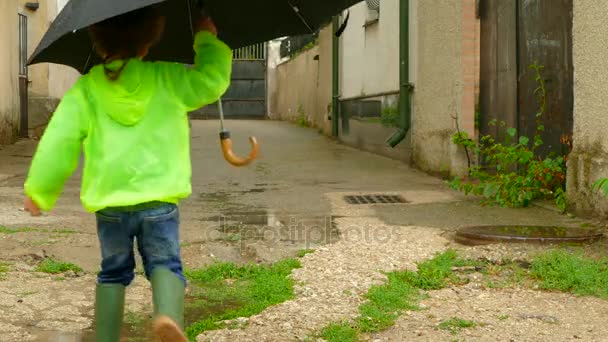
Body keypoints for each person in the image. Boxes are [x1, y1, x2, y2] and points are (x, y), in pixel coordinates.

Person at [22, 7, 232, 342]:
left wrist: (40, 191)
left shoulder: (87, 90)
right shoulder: (167, 77)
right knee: (165, 263)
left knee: (113, 273)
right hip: (159, 200)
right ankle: (167, 317)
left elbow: (58, 140)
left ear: (98, 42)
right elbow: (210, 82)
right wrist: (207, 40)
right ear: (150, 42)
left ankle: (106, 337)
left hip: (111, 205)